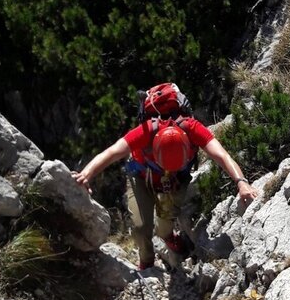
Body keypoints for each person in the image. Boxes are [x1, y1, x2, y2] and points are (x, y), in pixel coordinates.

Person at [72, 87, 258, 270]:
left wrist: (241, 183)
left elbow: (222, 156)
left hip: (176, 181)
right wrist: (86, 174)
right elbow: (112, 152)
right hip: (141, 176)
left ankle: (169, 237)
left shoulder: (192, 128)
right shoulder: (145, 132)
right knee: (140, 228)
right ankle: (147, 262)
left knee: (163, 227)